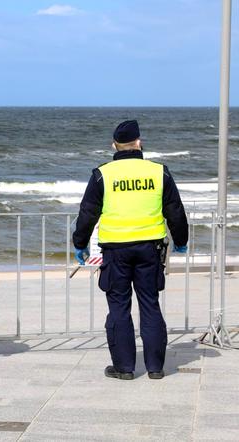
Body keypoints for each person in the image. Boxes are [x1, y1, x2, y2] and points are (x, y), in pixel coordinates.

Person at [72, 120, 188, 380]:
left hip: (116, 251)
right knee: (150, 304)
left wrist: (79, 243)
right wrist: (181, 240)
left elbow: (87, 213)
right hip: (150, 248)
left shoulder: (103, 174)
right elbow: (175, 212)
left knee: (119, 307)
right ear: (139, 142)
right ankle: (155, 367)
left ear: (114, 146)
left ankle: (124, 368)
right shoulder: (160, 172)